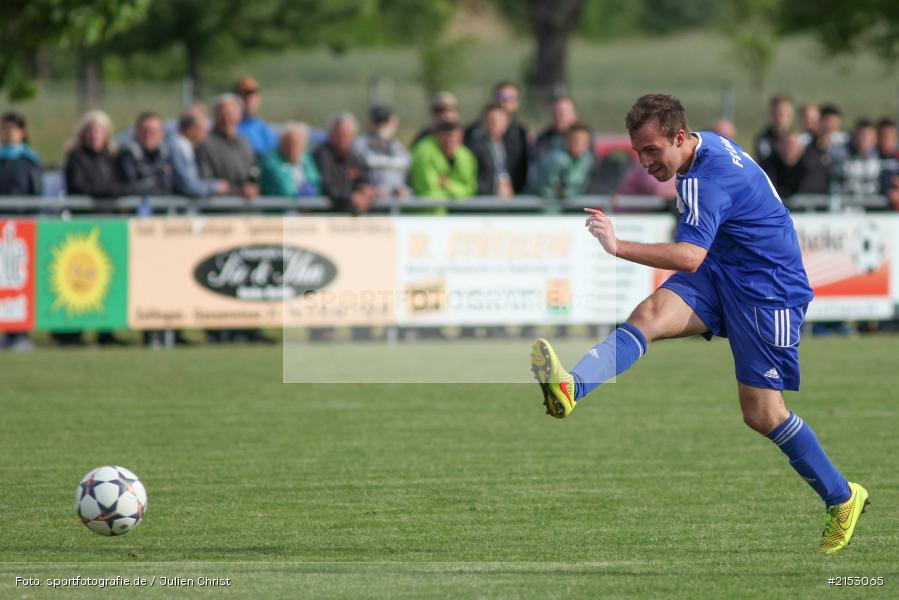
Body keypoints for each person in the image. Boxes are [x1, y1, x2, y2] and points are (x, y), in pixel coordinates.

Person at [530, 94, 868, 555]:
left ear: (679, 137)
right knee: (647, 317)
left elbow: (689, 256)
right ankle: (572, 388)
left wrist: (617, 245)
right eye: (638, 153)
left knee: (762, 414)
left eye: (653, 151)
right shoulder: (704, 148)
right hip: (723, 270)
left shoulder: (707, 180)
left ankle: (843, 498)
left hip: (768, 290)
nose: (646, 162)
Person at [465, 82, 530, 193]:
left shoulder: (520, 133)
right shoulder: (474, 136)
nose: (505, 101)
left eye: (510, 98)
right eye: (501, 97)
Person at [197, 94, 259, 199]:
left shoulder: (244, 142)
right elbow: (207, 180)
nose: (226, 120)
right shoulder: (205, 144)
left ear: (239, 116)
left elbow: (252, 172)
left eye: (230, 115)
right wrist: (236, 191)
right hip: (219, 208)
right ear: (215, 117)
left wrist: (252, 187)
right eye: (222, 115)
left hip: (247, 207)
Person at [313, 112, 374, 213]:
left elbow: (363, 179)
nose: (344, 138)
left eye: (349, 134)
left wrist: (365, 190)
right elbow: (327, 186)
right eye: (341, 134)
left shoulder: (355, 157)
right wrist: (350, 197)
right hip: (328, 216)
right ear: (331, 133)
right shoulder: (321, 155)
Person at [409, 119, 477, 210]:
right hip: (426, 215)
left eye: (455, 138)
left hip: (455, 214)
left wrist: (448, 185)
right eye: (447, 138)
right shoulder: (424, 152)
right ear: (438, 136)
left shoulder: (465, 156)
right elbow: (427, 191)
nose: (451, 142)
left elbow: (469, 190)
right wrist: (456, 194)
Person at [64, 110, 132, 198]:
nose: (94, 136)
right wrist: (108, 191)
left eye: (98, 131)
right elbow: (78, 186)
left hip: (110, 210)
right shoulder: (76, 157)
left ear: (106, 134)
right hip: (86, 210)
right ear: (83, 134)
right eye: (90, 131)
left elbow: (123, 183)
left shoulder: (112, 156)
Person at [352, 105, 410, 199]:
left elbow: (408, 180)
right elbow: (353, 178)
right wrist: (368, 189)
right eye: (377, 121)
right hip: (371, 207)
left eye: (385, 121)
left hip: (396, 208)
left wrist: (404, 191)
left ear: (394, 123)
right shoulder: (359, 147)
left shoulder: (400, 149)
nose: (381, 126)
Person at [169, 111, 229, 198]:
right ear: (190, 130)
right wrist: (215, 187)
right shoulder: (176, 150)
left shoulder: (188, 149)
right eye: (203, 131)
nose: (205, 136)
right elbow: (187, 186)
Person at [532, 123, 594, 201]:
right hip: (546, 206)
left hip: (571, 204)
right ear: (567, 140)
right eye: (576, 139)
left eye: (584, 141)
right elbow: (548, 189)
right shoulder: (557, 159)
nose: (579, 144)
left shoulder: (587, 160)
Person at [117, 111, 173, 197]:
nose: (148, 135)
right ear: (136, 132)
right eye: (144, 131)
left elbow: (167, 186)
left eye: (152, 131)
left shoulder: (165, 153)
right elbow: (131, 185)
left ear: (161, 133)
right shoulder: (127, 154)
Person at [259, 122, 321, 197]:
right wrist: (300, 196)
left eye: (297, 144)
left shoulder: (306, 159)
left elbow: (316, 183)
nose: (293, 148)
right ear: (281, 143)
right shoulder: (271, 161)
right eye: (289, 143)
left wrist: (312, 192)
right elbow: (284, 189)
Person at [465, 103, 514, 197]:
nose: (495, 124)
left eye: (499, 120)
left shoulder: (507, 145)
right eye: (491, 120)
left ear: (506, 123)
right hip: (483, 202)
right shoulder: (474, 146)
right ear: (484, 122)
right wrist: (495, 188)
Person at [0, 111, 42, 196]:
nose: (9, 132)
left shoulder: (31, 161)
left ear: (22, 133)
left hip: (22, 209)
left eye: (13, 128)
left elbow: (36, 192)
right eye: (5, 128)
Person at [234, 76, 278, 156]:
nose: (249, 98)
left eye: (254, 94)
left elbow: (273, 153)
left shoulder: (262, 127)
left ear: (259, 98)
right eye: (245, 94)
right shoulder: (230, 126)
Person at [837, 119, 880, 197]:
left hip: (873, 207)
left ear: (874, 139)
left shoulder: (880, 160)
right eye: (860, 135)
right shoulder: (842, 159)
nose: (863, 139)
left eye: (868, 135)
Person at [761, 130, 805, 199]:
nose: (790, 148)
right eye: (787, 144)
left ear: (800, 149)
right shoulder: (769, 166)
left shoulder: (806, 168)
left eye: (793, 145)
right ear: (779, 147)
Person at [534, 96, 578, 161]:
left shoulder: (590, 140)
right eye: (556, 113)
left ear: (574, 115)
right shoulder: (542, 140)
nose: (560, 117)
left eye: (564, 113)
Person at [754, 93, 794, 162]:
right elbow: (766, 162)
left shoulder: (797, 140)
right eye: (779, 113)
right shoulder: (764, 140)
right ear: (772, 114)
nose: (782, 117)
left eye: (785, 113)